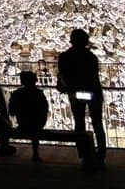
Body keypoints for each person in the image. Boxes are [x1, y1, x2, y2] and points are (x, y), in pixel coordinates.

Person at [57, 29, 107, 163]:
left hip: (75, 92)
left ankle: (83, 152)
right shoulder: (90, 57)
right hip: (93, 92)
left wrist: (67, 86)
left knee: (79, 122)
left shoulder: (65, 56)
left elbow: (62, 75)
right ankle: (101, 153)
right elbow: (94, 76)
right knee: (97, 122)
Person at [9, 70, 49, 162]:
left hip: (23, 123)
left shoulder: (17, 94)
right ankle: (35, 153)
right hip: (38, 124)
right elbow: (44, 108)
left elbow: (12, 111)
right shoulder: (39, 93)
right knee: (35, 131)